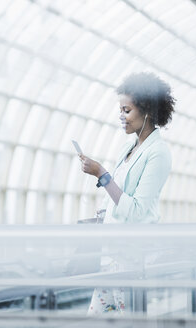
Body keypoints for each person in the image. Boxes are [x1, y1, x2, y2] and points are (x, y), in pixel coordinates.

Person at [79, 72, 175, 314]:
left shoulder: (158, 153)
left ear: (148, 111)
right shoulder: (128, 147)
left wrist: (101, 173)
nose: (121, 116)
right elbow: (119, 195)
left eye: (127, 110)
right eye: (120, 110)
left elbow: (136, 211)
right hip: (113, 254)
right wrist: (103, 214)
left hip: (134, 257)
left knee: (129, 319)